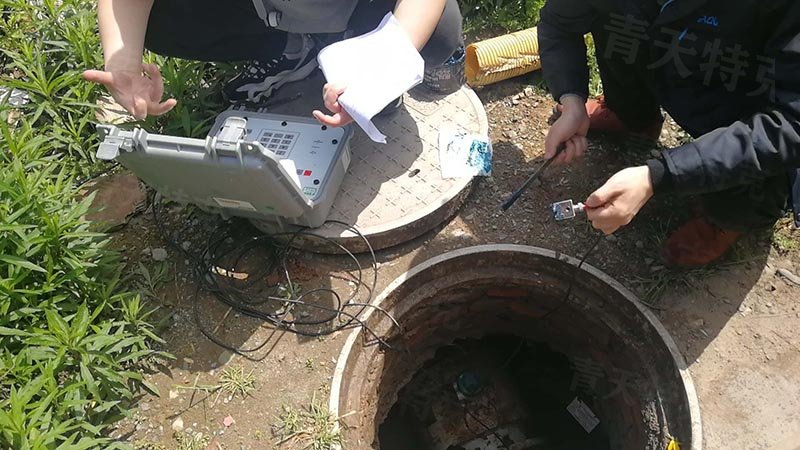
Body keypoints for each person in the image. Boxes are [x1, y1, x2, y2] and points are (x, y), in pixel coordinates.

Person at [538, 0, 800, 266]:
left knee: (762, 156)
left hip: (746, 92)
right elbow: (559, 20)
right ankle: (631, 114)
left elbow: (790, 125)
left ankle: (728, 218)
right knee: (622, 14)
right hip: (688, 52)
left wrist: (660, 176)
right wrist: (572, 100)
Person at [83, 0, 463, 128]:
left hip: (358, 5)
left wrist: (382, 68)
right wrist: (124, 63)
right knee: (158, 22)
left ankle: (354, 43)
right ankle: (289, 49)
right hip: (265, 10)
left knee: (437, 35)